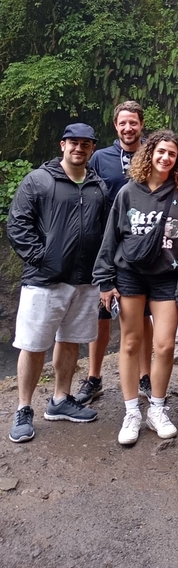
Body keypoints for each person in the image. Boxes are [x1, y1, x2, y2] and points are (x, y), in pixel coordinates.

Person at [94, 130, 178, 446]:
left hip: (166, 275)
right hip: (130, 274)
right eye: (161, 152)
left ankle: (156, 407)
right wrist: (105, 278)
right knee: (130, 342)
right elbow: (112, 235)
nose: (166, 158)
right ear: (149, 153)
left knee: (165, 345)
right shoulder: (128, 192)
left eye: (173, 154)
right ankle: (131, 412)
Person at [7, 124, 109, 442]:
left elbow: (106, 230)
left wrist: (103, 270)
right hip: (44, 279)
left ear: (92, 149)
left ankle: (61, 400)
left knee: (70, 341)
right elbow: (17, 223)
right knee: (34, 344)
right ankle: (24, 408)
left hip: (85, 280)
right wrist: (42, 257)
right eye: (74, 143)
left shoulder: (98, 186)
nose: (79, 148)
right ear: (62, 145)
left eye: (86, 144)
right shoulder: (39, 180)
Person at [74, 101, 153, 406]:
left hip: (141, 246)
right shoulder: (101, 158)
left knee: (143, 314)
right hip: (104, 246)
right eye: (123, 123)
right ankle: (94, 378)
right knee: (101, 313)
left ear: (141, 124)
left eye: (133, 122)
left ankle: (145, 377)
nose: (128, 128)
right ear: (115, 126)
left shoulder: (153, 154)